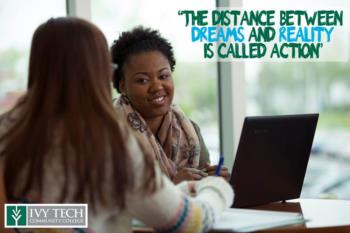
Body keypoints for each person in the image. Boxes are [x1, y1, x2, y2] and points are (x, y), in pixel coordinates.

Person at [0, 17, 233, 233]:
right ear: (100, 72)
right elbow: (190, 222)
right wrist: (217, 190)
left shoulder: (8, 128)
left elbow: (17, 216)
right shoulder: (109, 139)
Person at [111, 26, 230, 184]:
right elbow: (105, 202)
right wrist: (173, 187)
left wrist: (214, 181)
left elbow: (202, 195)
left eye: (163, 76)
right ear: (122, 86)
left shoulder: (189, 131)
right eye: (143, 80)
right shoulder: (107, 132)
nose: (157, 87)